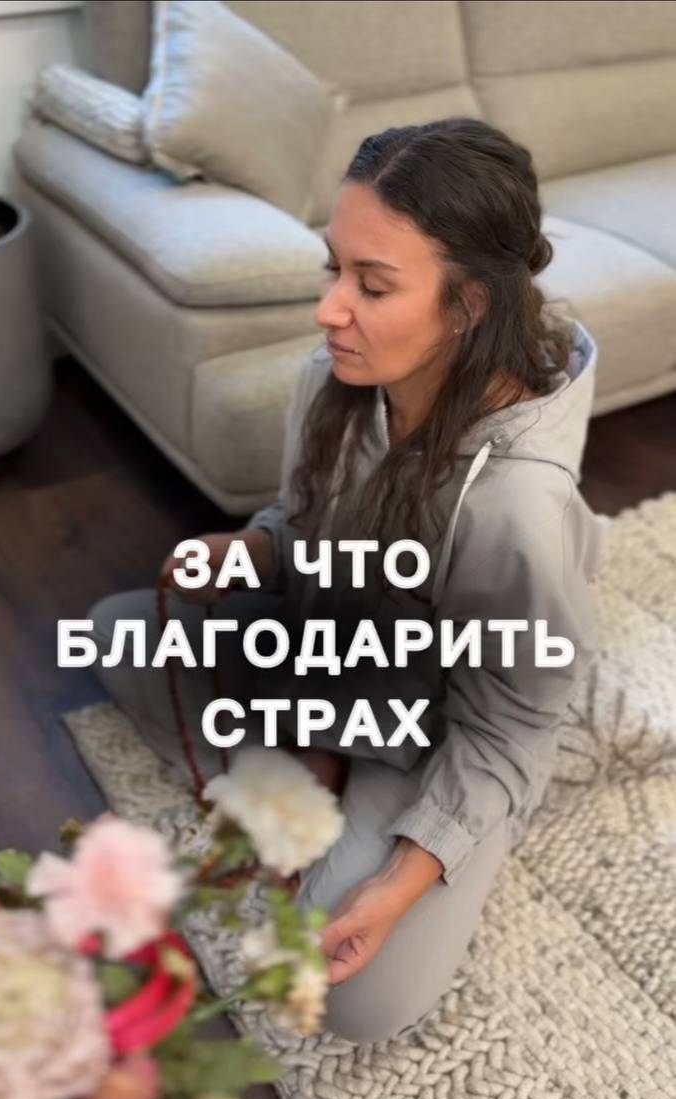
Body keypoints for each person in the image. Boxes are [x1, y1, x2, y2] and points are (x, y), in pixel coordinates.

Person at [87, 117, 608, 1044]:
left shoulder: (515, 508)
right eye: (335, 269)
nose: (329, 309)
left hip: (445, 717)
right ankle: (314, 761)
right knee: (118, 636)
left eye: (372, 285)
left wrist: (403, 877)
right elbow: (302, 525)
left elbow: (509, 725)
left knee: (354, 998)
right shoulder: (335, 381)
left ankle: (339, 784)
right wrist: (250, 551)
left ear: (469, 305)